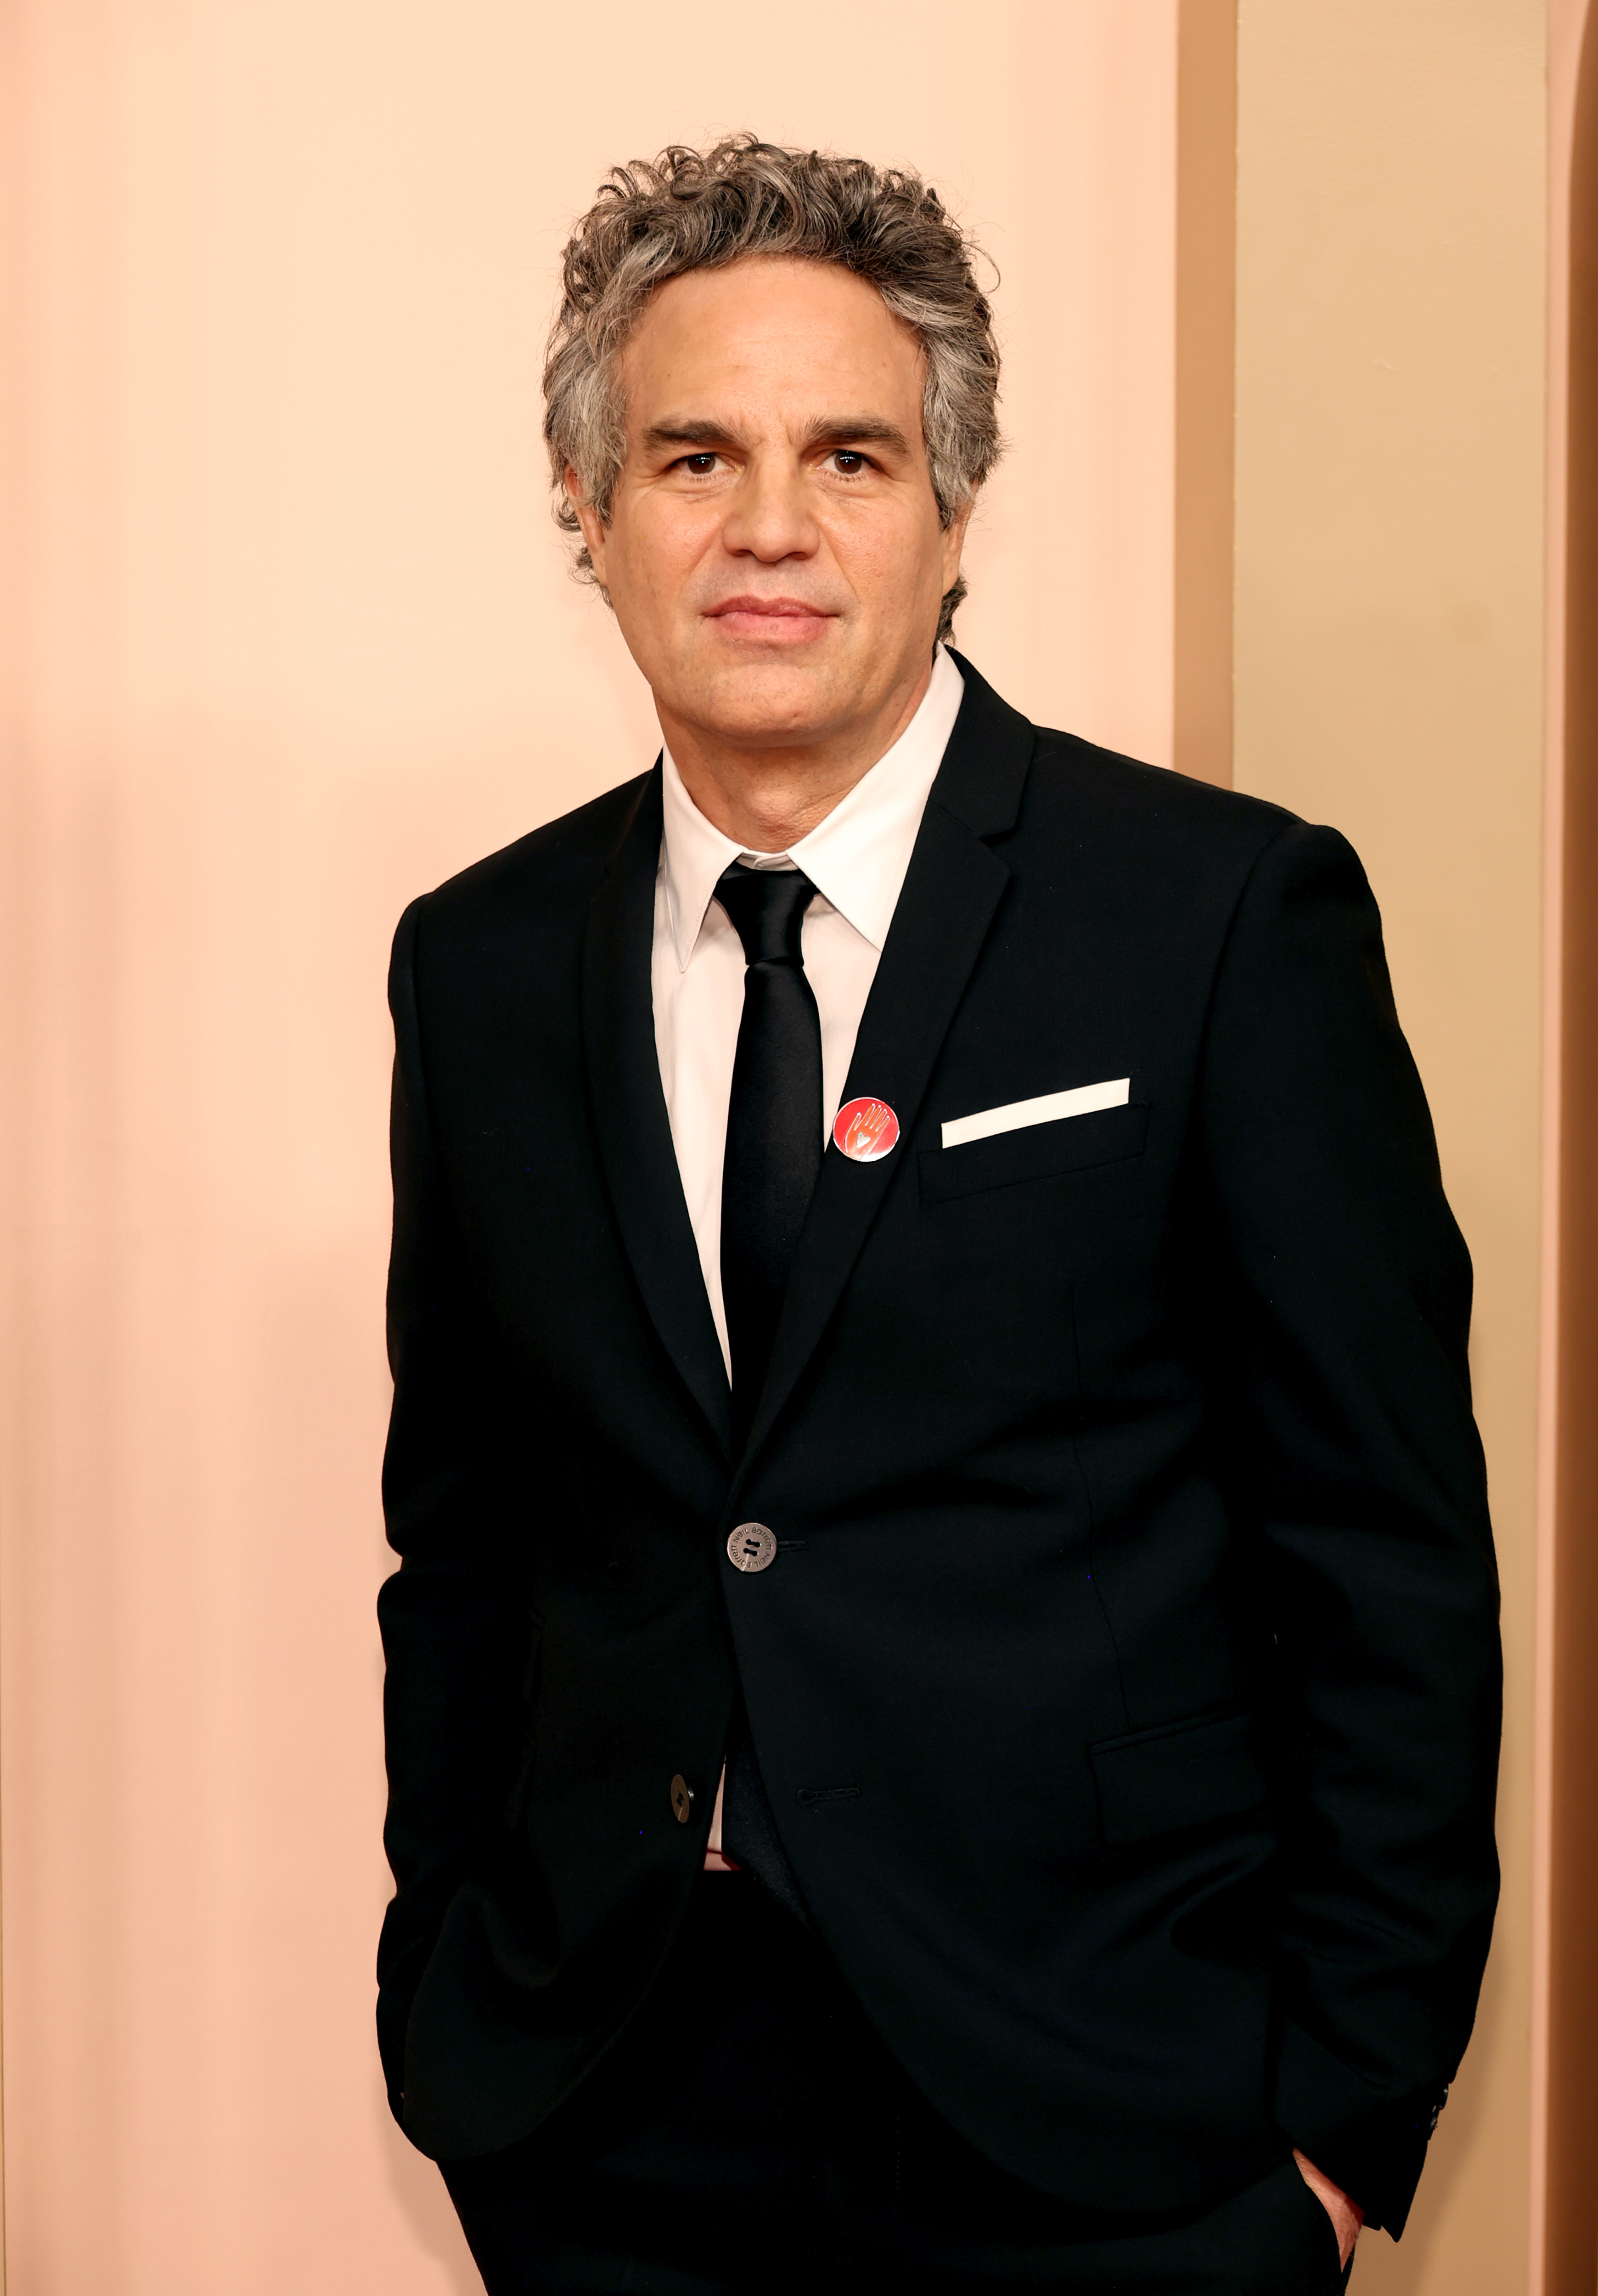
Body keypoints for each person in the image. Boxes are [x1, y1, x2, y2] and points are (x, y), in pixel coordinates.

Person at [377, 138, 1500, 2295]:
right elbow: (473, 1535)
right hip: (607, 2118)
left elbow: (1385, 1564)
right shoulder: (484, 960)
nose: (772, 525)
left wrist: (1345, 2132)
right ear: (590, 513)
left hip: (1115, 2124)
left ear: (956, 513)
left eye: (854, 457)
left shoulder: (1219, 919)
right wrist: (454, 2007)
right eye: (695, 454)